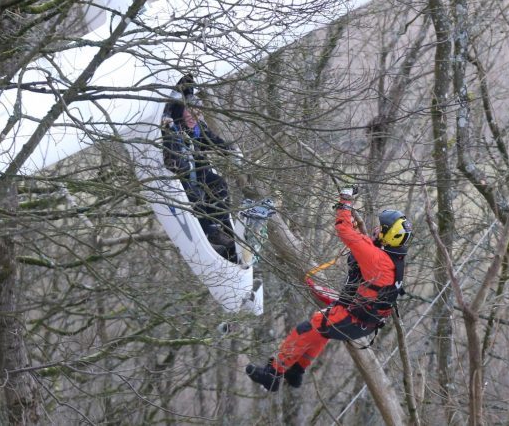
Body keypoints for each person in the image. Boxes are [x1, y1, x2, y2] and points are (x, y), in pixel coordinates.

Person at [245, 189, 411, 392]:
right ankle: (296, 369)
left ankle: (273, 373)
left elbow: (344, 230)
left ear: (388, 236)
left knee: (308, 327)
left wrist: (345, 201)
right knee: (321, 330)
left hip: (355, 318)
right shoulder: (393, 257)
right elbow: (366, 244)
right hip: (365, 320)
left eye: (381, 228)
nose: (376, 229)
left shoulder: (378, 260)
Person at [161, 75, 240, 263]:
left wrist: (231, 150)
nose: (193, 116)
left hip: (199, 171)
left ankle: (221, 225)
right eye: (189, 112)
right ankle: (209, 233)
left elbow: (211, 139)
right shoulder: (175, 130)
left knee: (217, 184)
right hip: (182, 175)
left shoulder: (198, 127)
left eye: (196, 112)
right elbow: (173, 157)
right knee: (194, 195)